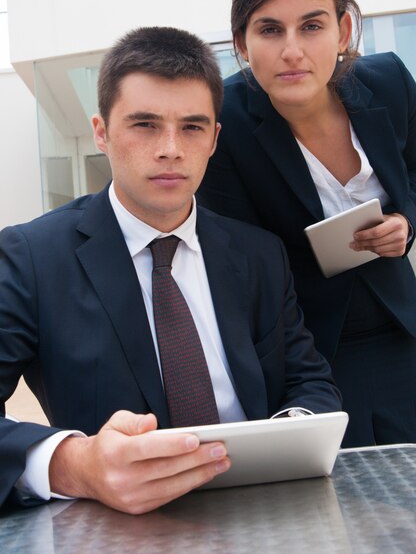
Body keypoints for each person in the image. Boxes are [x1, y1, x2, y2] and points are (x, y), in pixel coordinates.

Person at [0, 26, 341, 514]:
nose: (170, 149)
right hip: (115, 529)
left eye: (192, 127)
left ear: (214, 139)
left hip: (266, 514)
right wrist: (76, 465)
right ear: (101, 132)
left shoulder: (259, 255)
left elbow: (310, 380)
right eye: (144, 125)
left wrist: (288, 431)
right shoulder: (33, 256)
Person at [198, 0, 416, 448]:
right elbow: (240, 260)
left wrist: (408, 223)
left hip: (403, 328)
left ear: (342, 30)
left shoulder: (389, 83)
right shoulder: (222, 122)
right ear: (241, 43)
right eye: (269, 30)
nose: (292, 51)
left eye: (312, 26)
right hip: (311, 353)